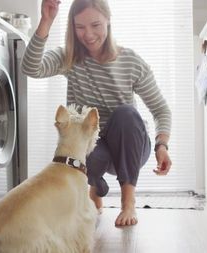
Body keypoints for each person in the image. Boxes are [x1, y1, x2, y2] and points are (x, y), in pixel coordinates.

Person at [21, 0, 172, 227]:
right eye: (79, 27)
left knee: (126, 114)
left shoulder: (130, 61)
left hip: (129, 145)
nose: (88, 34)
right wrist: (46, 21)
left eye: (95, 25)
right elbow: (30, 68)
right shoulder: (69, 58)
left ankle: (128, 201)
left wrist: (162, 145)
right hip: (93, 149)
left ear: (108, 21)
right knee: (80, 136)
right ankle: (95, 188)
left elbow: (161, 109)